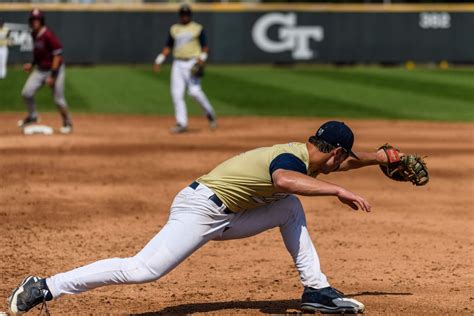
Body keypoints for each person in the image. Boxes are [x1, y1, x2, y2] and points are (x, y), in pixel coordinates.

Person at [9, 121, 397, 314]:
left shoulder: (309, 155)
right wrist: (339, 191)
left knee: (288, 208)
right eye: (342, 159)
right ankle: (45, 285)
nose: (341, 166)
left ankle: (316, 290)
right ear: (333, 153)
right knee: (143, 270)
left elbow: (339, 166)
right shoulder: (290, 159)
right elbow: (283, 178)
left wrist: (378, 158)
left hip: (231, 213)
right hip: (200, 209)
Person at [153, 4, 217, 134]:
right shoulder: (174, 29)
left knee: (194, 92)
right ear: (180, 15)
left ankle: (209, 113)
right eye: (183, 14)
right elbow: (168, 47)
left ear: (190, 15)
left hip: (192, 62)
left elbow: (205, 47)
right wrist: (159, 60)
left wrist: (202, 59)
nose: (184, 17)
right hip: (178, 63)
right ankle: (181, 123)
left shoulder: (197, 28)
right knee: (176, 94)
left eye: (187, 14)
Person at [18, 9, 73, 134]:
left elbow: (57, 55)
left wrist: (53, 76)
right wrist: (31, 64)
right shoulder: (33, 34)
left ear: (41, 21)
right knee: (27, 93)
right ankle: (33, 116)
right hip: (40, 69)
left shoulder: (48, 34)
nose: (35, 22)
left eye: (37, 19)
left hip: (56, 70)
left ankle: (67, 123)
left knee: (58, 99)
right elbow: (39, 54)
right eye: (33, 20)